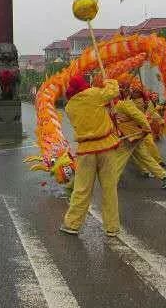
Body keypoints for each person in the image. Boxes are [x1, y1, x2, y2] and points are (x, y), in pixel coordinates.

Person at [60, 75, 122, 237]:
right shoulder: (94, 94)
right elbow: (114, 91)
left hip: (85, 151)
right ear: (84, 84)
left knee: (81, 190)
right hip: (106, 147)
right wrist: (109, 81)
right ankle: (112, 228)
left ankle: (72, 224)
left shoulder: (69, 107)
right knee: (109, 189)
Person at [115, 87, 166, 189]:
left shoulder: (123, 104)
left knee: (119, 159)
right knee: (145, 158)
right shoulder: (114, 106)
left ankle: (111, 182)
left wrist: (146, 128)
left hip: (132, 136)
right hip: (129, 136)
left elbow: (139, 116)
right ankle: (165, 177)